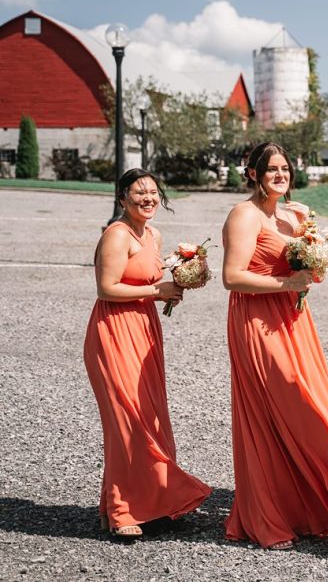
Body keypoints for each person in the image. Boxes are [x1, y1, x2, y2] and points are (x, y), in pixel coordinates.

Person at [222, 142, 328, 548]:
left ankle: (315, 506)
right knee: (289, 408)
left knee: (316, 406)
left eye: (285, 168)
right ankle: (270, 513)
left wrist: (312, 266)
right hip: (258, 320)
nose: (280, 175)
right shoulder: (244, 216)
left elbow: (307, 263)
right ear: (253, 174)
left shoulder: (294, 214)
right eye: (271, 169)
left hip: (295, 319)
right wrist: (288, 283)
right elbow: (232, 276)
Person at [83, 169, 211, 539]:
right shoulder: (116, 234)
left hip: (144, 330)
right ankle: (124, 512)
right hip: (114, 331)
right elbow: (106, 289)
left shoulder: (153, 234)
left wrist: (180, 282)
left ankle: (140, 504)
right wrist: (158, 292)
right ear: (122, 197)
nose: (148, 198)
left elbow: (150, 281)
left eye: (154, 192)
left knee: (149, 416)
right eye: (139, 192)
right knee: (126, 423)